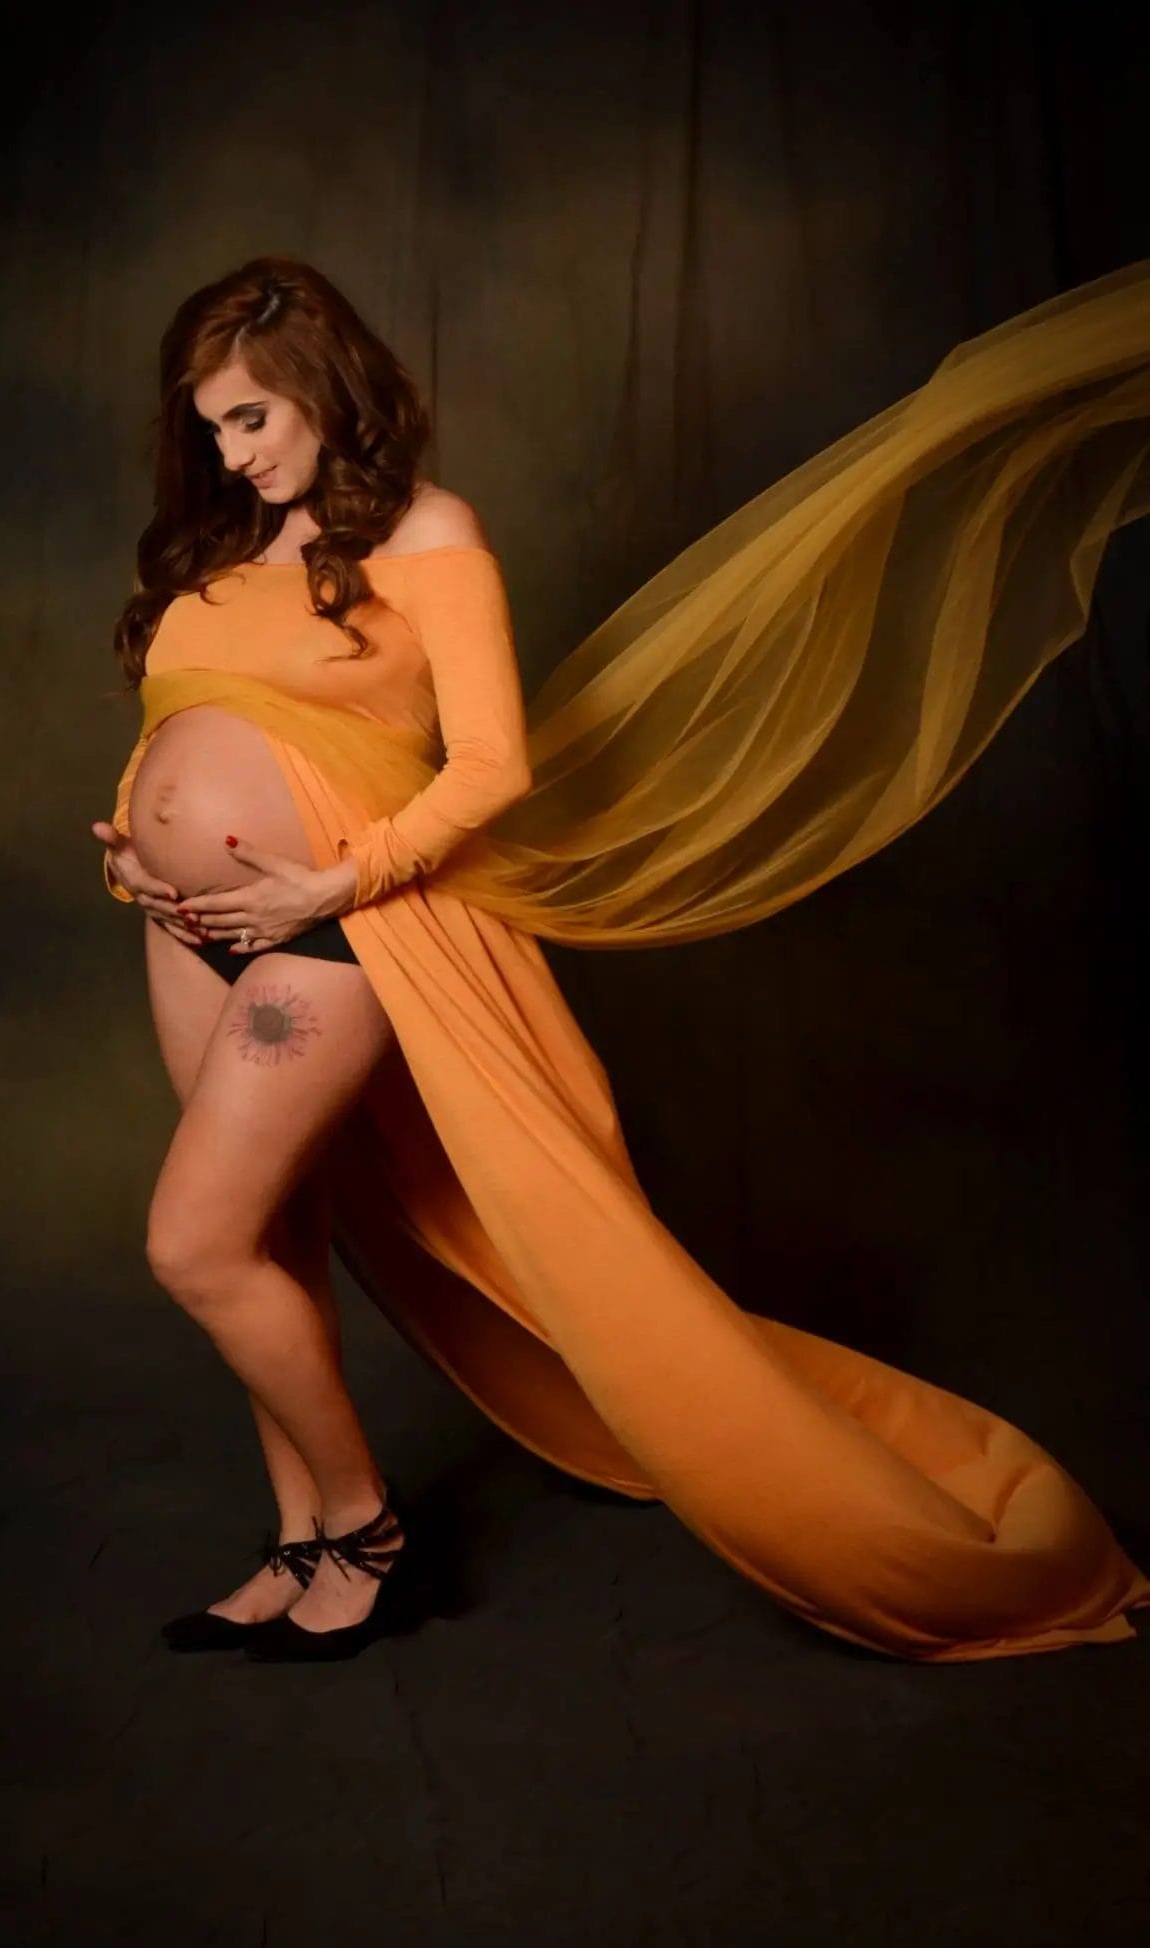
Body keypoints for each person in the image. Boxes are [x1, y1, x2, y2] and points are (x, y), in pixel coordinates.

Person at [94, 254, 1150, 1666]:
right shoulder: (217, 559)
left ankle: (366, 1534)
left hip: (341, 925)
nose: (235, 453)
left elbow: (490, 769)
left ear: (327, 392)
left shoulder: (425, 534)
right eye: (211, 426)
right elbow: (188, 725)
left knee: (194, 1240)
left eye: (256, 421)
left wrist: (331, 879)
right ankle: (298, 1543)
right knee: (273, 1236)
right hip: (189, 929)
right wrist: (137, 849)